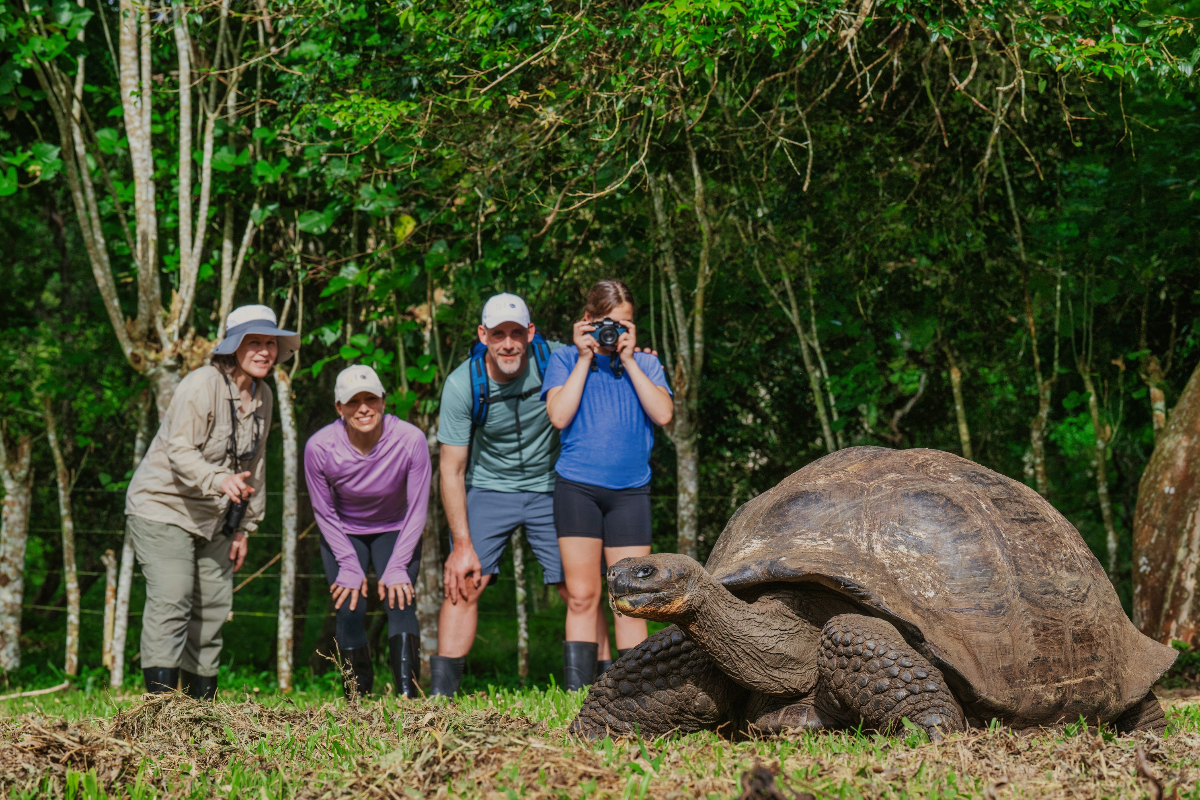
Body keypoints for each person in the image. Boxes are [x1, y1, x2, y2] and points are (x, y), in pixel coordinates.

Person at [125, 304, 299, 698]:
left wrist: (244, 528)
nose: (264, 351)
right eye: (253, 342)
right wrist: (217, 479)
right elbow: (179, 449)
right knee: (173, 596)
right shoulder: (201, 384)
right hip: (163, 506)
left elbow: (255, 465)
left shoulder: (264, 396)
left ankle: (200, 710)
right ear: (233, 347)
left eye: (270, 343)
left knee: (214, 606)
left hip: (217, 516)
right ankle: (158, 711)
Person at [431, 293, 571, 697]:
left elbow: (601, 355)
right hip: (490, 486)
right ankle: (442, 697)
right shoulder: (463, 384)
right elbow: (451, 469)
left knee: (577, 588)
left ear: (530, 333)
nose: (508, 343)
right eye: (498, 334)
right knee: (464, 581)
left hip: (551, 486)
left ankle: (599, 687)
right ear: (483, 335)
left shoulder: (555, 360)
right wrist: (461, 545)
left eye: (515, 333)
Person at [543, 279, 674, 690]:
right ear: (587, 320)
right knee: (583, 596)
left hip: (630, 492)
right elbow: (559, 417)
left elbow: (664, 414)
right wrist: (584, 358)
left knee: (631, 599)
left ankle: (632, 693)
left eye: (625, 324)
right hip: (577, 489)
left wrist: (632, 360)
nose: (614, 332)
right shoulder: (564, 358)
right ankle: (577, 692)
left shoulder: (647, 364)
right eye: (607, 324)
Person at [304, 365, 431, 699]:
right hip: (344, 532)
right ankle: (357, 699)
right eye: (353, 401)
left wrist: (398, 564)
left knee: (400, 600)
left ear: (383, 402)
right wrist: (348, 563)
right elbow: (323, 511)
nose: (363, 408)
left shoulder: (410, 440)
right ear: (339, 408)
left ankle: (408, 696)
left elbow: (418, 507)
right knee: (349, 606)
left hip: (397, 529)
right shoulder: (320, 448)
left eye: (370, 399)